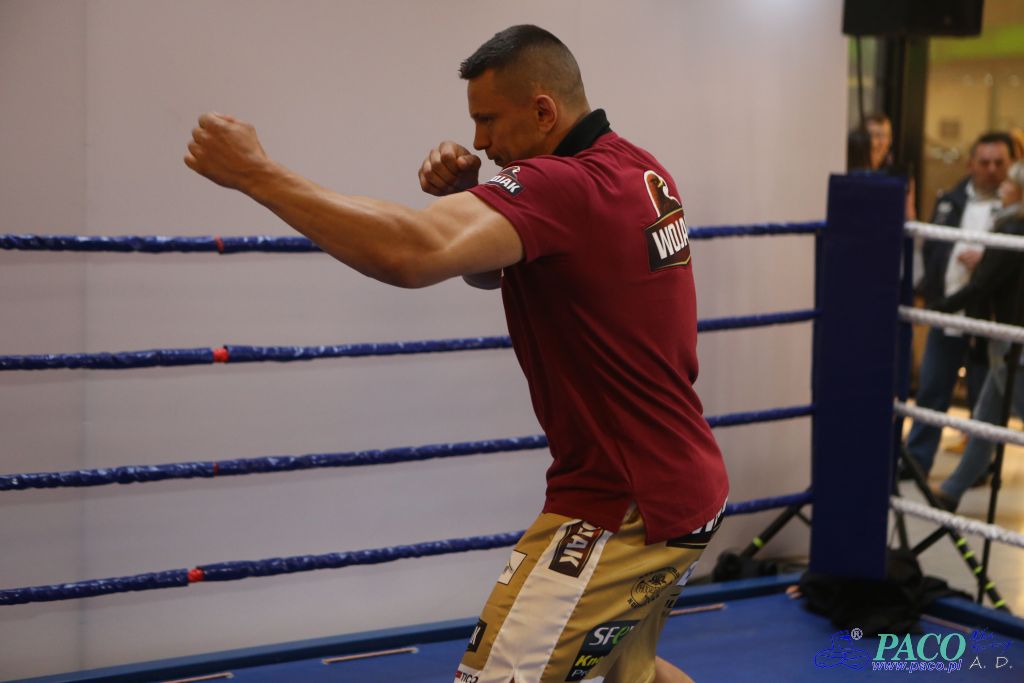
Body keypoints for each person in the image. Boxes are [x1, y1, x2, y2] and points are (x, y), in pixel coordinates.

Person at [185, 24, 728, 683]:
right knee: (627, 674)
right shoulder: (637, 168)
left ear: (543, 110)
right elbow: (496, 272)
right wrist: (468, 201)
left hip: (624, 506)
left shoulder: (561, 186)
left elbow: (411, 253)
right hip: (684, 485)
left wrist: (256, 174)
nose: (479, 141)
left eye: (489, 120)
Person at [903, 132, 1016, 479]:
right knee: (932, 390)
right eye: (985, 162)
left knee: (986, 401)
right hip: (948, 310)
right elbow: (932, 248)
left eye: (999, 163)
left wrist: (988, 260)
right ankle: (917, 461)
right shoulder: (949, 200)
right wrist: (933, 296)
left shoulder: (1015, 211)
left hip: (988, 318)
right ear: (971, 164)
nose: (992, 169)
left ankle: (979, 468)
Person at [929, 161, 1024, 511]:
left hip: (1012, 340)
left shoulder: (1013, 229)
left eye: (1010, 182)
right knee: (985, 419)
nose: (1002, 187)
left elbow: (983, 285)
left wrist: (939, 308)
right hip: (1005, 336)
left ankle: (951, 490)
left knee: (999, 414)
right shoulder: (1008, 226)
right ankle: (951, 491)